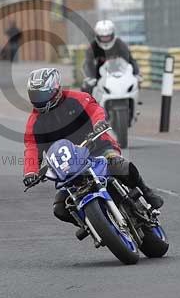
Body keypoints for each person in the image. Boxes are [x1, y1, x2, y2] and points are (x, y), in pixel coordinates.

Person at [22, 67, 163, 230]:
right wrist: (30, 172)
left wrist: (99, 123)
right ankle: (92, 224)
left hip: (97, 147)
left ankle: (147, 192)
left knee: (119, 165)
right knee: (60, 208)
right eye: (35, 95)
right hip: (68, 165)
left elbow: (95, 110)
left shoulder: (77, 98)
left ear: (56, 89)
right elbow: (32, 147)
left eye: (42, 95)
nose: (39, 99)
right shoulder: (35, 121)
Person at [82, 19, 140, 91]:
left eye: (107, 36)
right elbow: (88, 63)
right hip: (99, 75)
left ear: (112, 34)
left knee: (135, 84)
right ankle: (90, 101)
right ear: (97, 36)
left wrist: (136, 74)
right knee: (86, 87)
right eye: (102, 37)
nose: (105, 39)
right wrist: (90, 77)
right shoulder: (93, 46)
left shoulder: (120, 44)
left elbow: (130, 60)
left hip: (119, 73)